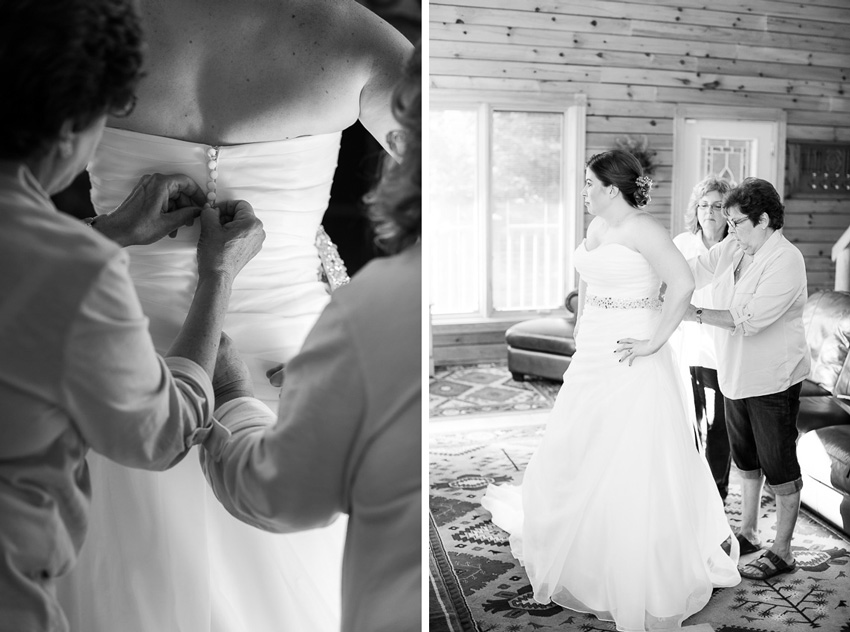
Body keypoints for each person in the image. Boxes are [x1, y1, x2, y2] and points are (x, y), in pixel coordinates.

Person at [56, 1, 415, 631]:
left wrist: (106, 231)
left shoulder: (85, 23)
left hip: (122, 354)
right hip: (294, 356)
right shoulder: (353, 35)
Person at [0, 1, 265, 630]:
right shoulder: (76, 271)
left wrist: (109, 231)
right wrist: (217, 278)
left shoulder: (67, 260)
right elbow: (160, 435)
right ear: (70, 130)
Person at [199, 41, 421, 632]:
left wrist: (225, 393)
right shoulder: (356, 39)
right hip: (291, 338)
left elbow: (280, 493)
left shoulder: (82, 27)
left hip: (154, 344)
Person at [481, 149, 740, 631]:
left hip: (632, 352)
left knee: (631, 453)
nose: (583, 191)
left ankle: (632, 559)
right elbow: (588, 282)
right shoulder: (597, 228)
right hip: (595, 349)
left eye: (588, 184)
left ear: (611, 188)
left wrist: (653, 342)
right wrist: (581, 332)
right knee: (578, 440)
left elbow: (681, 284)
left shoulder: (645, 230)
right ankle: (581, 542)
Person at [683, 177, 810, 581]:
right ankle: (748, 531)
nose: (729, 229)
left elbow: (749, 321)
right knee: (747, 461)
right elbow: (698, 268)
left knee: (779, 465)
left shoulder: (786, 260)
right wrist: (653, 278)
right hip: (734, 372)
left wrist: (691, 312)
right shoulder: (738, 247)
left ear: (765, 220)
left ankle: (784, 550)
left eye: (737, 222)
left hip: (773, 379)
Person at [673, 176, 734, 500]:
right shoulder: (683, 244)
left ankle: (717, 492)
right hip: (689, 346)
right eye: (703, 205)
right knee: (693, 421)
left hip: (726, 345)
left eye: (717, 205)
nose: (709, 211)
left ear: (729, 212)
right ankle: (694, 489)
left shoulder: (737, 247)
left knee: (719, 424)